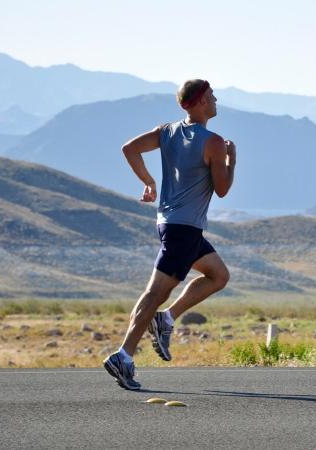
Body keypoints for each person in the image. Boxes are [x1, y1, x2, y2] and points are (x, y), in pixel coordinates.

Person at [103, 79, 236, 390]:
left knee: (218, 275)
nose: (216, 101)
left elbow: (130, 148)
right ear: (202, 100)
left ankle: (166, 319)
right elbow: (223, 189)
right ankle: (123, 355)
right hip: (184, 229)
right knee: (155, 293)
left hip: (170, 224)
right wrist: (232, 160)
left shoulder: (166, 131)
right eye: (213, 97)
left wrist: (149, 182)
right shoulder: (214, 143)